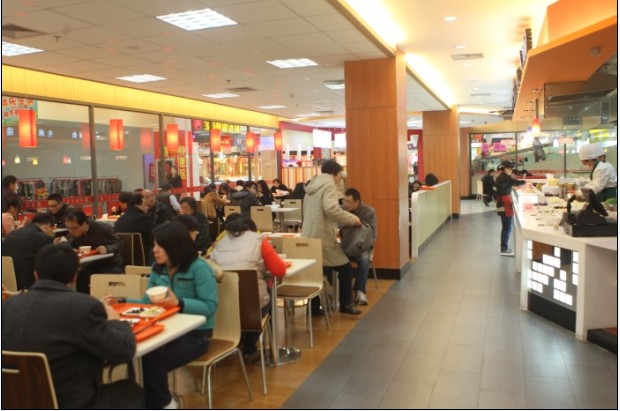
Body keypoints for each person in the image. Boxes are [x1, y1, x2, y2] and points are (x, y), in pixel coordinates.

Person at [1, 243, 143, 409]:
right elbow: (124, 350)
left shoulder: (7, 306)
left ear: (36, 274)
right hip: (71, 403)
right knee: (132, 391)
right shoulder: (83, 307)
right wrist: (114, 320)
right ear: (75, 275)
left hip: (12, 401)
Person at [115, 222, 218, 409]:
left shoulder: (199, 268)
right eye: (154, 245)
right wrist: (120, 301)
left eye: (159, 246)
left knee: (150, 361)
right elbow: (147, 302)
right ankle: (158, 402)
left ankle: (162, 403)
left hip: (197, 335)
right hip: (165, 329)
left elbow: (209, 307)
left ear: (175, 246)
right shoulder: (158, 268)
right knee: (140, 354)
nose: (154, 250)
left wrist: (179, 303)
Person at [208, 213, 286, 362]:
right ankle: (249, 348)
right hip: (252, 311)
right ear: (252, 228)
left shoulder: (218, 244)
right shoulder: (259, 241)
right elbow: (279, 270)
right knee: (265, 295)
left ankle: (237, 341)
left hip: (224, 310)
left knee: (242, 298)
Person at [302, 159, 362, 315]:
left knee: (315, 270)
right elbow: (331, 209)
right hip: (321, 236)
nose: (340, 178)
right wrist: (352, 219)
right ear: (335, 173)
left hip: (308, 235)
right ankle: (345, 304)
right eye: (340, 175)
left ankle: (314, 308)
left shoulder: (312, 186)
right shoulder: (329, 184)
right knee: (345, 268)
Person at [65, 210, 124, 293]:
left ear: (84, 223)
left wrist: (107, 248)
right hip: (91, 265)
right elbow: (72, 245)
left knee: (100, 280)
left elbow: (120, 244)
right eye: (68, 228)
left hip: (110, 264)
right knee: (78, 278)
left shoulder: (102, 228)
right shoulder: (75, 234)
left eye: (74, 228)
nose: (71, 231)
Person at [341, 188, 377, 306]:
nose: (345, 204)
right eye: (344, 201)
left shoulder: (368, 212)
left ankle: (360, 291)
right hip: (343, 246)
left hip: (361, 247)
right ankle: (339, 291)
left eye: (349, 202)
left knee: (365, 259)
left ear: (357, 202)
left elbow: (373, 234)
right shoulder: (340, 211)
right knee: (330, 259)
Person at [2, 212, 55, 290]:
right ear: (48, 226)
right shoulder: (43, 238)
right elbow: (51, 265)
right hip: (31, 286)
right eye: (52, 230)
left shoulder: (11, 235)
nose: (52, 234)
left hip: (7, 286)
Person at [113, 193, 157, 265]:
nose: (147, 207)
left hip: (123, 259)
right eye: (145, 205)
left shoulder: (120, 219)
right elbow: (157, 233)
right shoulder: (143, 219)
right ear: (137, 205)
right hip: (143, 258)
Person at [495, 160, 526, 256]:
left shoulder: (502, 177)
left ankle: (504, 247)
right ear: (505, 168)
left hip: (503, 202)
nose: (511, 170)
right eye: (510, 168)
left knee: (506, 226)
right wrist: (525, 181)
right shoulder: (503, 177)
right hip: (503, 203)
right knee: (507, 227)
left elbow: (513, 183)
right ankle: (504, 248)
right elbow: (516, 182)